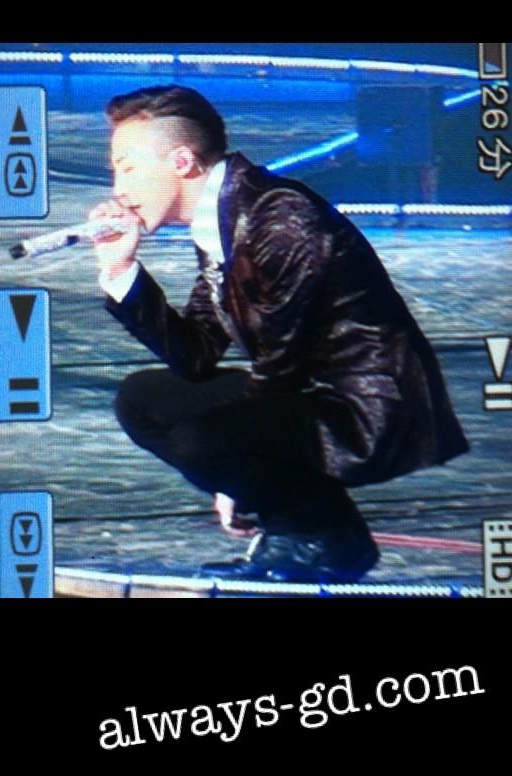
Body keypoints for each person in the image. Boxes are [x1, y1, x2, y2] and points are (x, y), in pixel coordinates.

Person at [89, 85, 469, 583]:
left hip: (367, 405)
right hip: (308, 393)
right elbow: (196, 354)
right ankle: (314, 527)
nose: (119, 189)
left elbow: (280, 366)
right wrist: (121, 271)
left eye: (128, 168)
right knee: (144, 398)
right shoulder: (224, 218)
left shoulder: (279, 217)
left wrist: (235, 469)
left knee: (204, 435)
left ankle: (320, 537)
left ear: (181, 161)